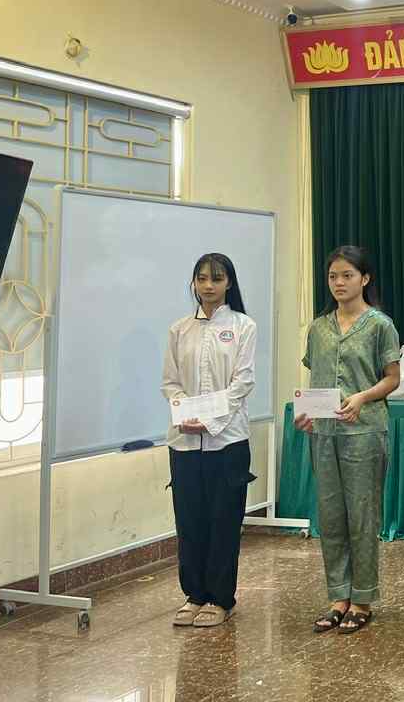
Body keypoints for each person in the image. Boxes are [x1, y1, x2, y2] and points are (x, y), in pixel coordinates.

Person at [295, 245, 401, 635]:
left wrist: (362, 397)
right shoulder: (318, 328)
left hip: (365, 432)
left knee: (362, 516)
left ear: (365, 279)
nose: (339, 283)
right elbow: (316, 377)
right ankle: (337, 597)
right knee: (331, 517)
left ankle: (362, 599)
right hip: (324, 433)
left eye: (347, 275)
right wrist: (308, 412)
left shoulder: (379, 325)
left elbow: (393, 378)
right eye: (333, 276)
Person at [161, 252, 257, 628]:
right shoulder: (179, 329)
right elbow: (170, 382)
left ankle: (220, 599)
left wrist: (212, 420)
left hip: (227, 440)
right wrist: (183, 414)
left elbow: (243, 382)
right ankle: (194, 595)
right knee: (189, 521)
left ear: (229, 282)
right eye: (201, 279)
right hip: (183, 441)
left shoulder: (243, 326)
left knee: (223, 521)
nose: (208, 286)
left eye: (216, 279)